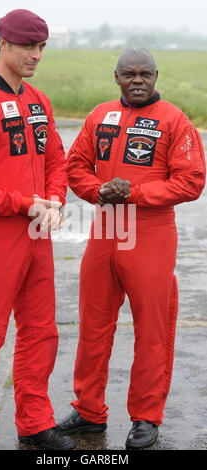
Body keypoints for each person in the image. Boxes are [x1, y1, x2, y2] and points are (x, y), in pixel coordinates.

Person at [57, 47, 206, 449]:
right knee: (92, 324)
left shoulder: (175, 120)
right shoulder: (99, 115)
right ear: (116, 77)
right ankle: (88, 411)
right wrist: (98, 190)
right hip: (104, 231)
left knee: (152, 329)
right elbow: (76, 167)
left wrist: (136, 193)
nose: (137, 80)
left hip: (151, 232)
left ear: (156, 76)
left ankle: (145, 416)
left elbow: (191, 181)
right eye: (129, 74)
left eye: (145, 74)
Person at [0, 9, 75, 451]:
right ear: (2, 44)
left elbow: (56, 161)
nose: (36, 55)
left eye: (41, 47)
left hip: (37, 234)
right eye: (27, 46)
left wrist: (56, 199)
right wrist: (25, 204)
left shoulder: (39, 101)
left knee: (41, 328)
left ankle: (35, 420)